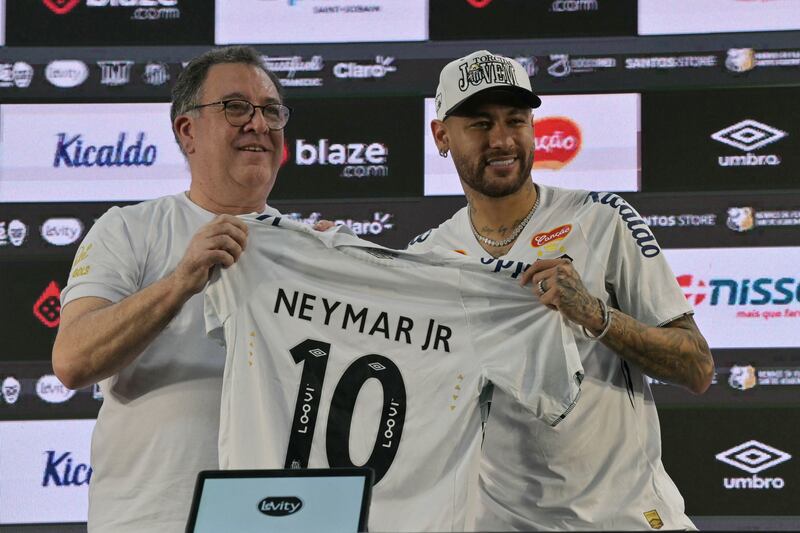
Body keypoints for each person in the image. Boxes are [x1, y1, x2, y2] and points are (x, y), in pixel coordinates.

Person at [408, 50, 715, 531]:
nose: (503, 140)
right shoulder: (426, 259)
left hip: (628, 519)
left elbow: (697, 366)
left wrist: (597, 315)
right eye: (481, 124)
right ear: (442, 136)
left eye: (516, 120)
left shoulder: (600, 219)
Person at [52, 46, 292, 532]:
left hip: (278, 516)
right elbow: (73, 360)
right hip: (150, 519)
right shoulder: (129, 229)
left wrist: (334, 268)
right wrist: (181, 282)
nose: (259, 125)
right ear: (188, 132)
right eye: (236, 107)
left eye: (270, 110)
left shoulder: (315, 249)